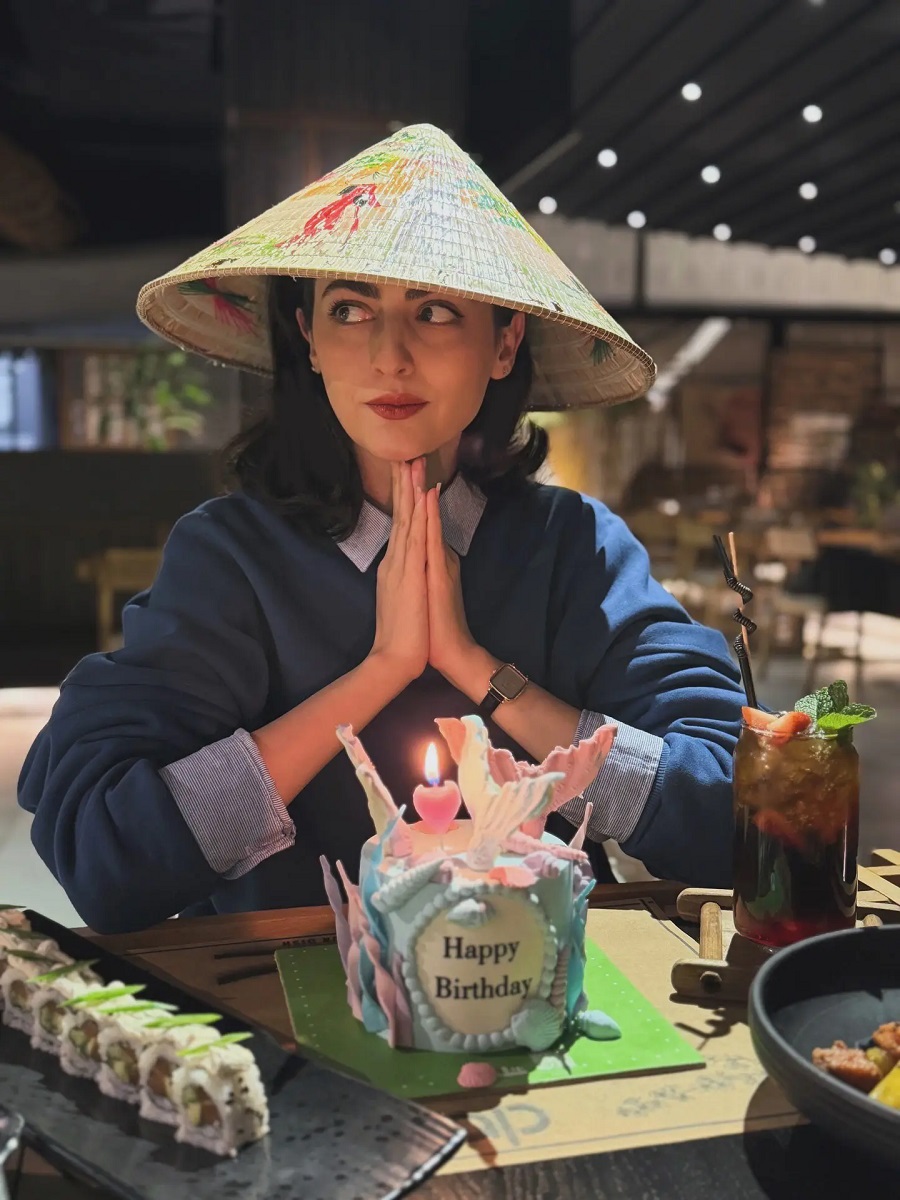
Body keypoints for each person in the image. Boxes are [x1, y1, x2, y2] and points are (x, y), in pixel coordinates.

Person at [18, 125, 743, 934]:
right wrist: (380, 671)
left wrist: (481, 671)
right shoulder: (230, 556)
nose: (389, 355)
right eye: (351, 309)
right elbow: (103, 856)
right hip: (275, 986)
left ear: (504, 343)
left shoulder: (574, 546)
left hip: (541, 980)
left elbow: (737, 814)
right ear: (310, 339)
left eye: (435, 311)